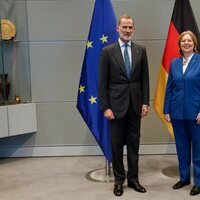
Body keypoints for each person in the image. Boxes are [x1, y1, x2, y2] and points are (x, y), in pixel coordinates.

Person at [98, 14, 149, 196]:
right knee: (117, 146)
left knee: (134, 145)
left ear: (134, 29)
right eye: (124, 27)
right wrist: (105, 107)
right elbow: (102, 82)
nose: (127, 31)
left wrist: (145, 102)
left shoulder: (140, 50)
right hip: (115, 108)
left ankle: (134, 180)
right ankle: (119, 181)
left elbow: (144, 79)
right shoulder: (107, 52)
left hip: (135, 106)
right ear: (117, 28)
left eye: (130, 28)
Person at [164, 30, 200, 196]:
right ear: (179, 44)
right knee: (182, 147)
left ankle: (198, 182)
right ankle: (184, 178)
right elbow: (170, 88)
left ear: (194, 44)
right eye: (183, 41)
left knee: (198, 149)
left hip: (196, 114)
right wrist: (166, 109)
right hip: (177, 112)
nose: (186, 43)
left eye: (189, 41)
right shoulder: (174, 63)